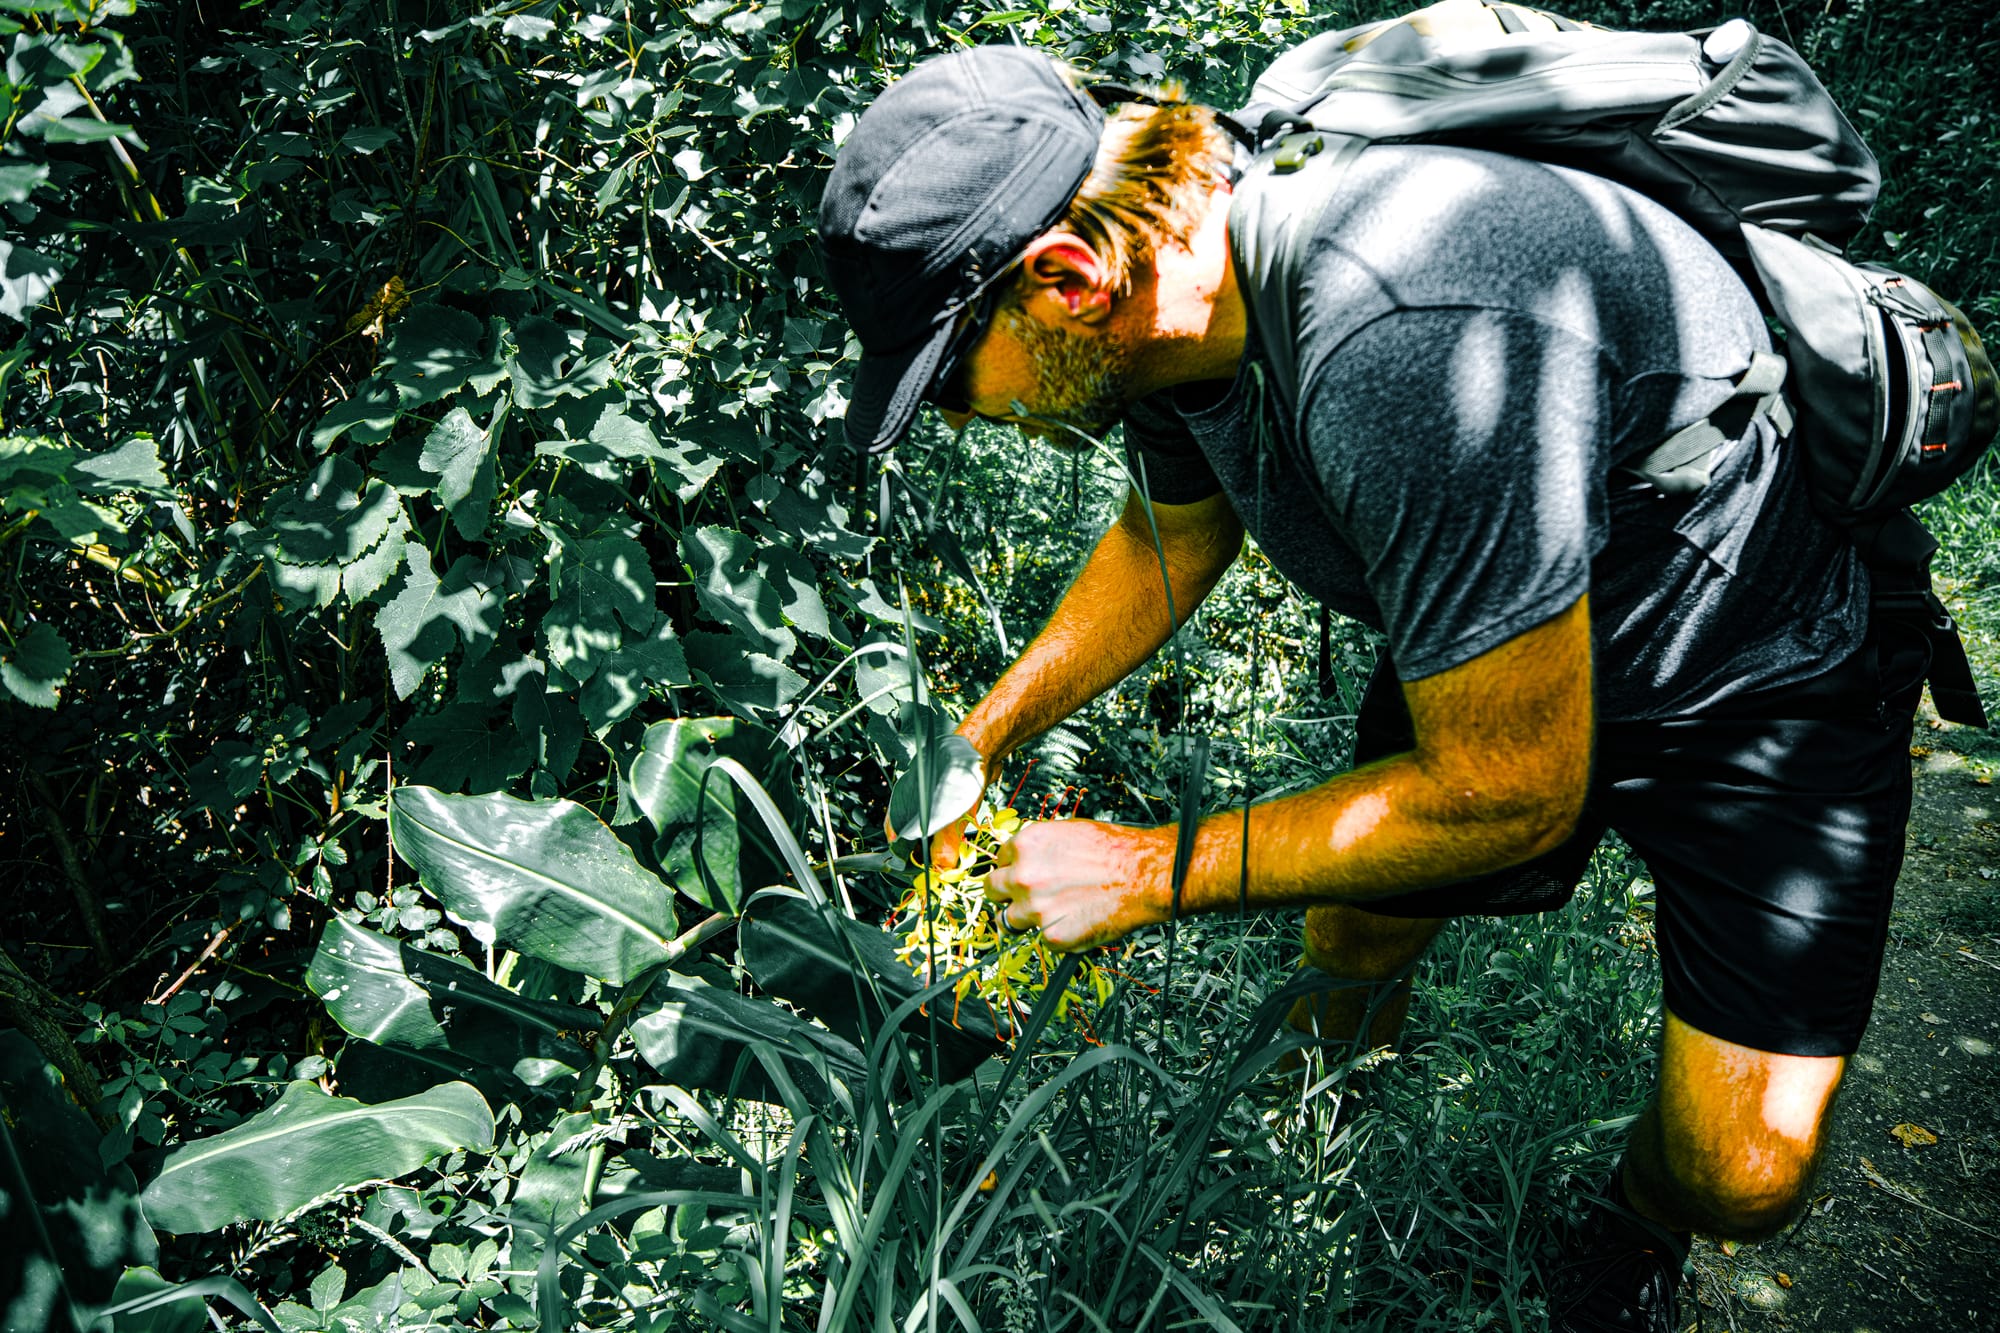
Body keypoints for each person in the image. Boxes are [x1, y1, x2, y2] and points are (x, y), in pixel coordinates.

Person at [817, 41, 1925, 1333]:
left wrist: (1138, 870)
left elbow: (1507, 790)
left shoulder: (1398, 329)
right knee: (1349, 936)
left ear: (1065, 279)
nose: (957, 414)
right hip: (1489, 611)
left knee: (1739, 1173)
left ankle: (1633, 1221)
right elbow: (1172, 534)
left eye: (949, 374)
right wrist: (982, 734)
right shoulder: (1171, 287)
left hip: (1751, 645)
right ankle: (1314, 1155)